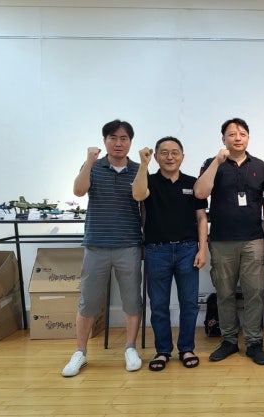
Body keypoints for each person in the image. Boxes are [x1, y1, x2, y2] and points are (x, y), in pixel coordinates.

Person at [62, 119, 144, 377]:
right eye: (113, 138)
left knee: (132, 299)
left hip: (128, 245)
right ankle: (80, 352)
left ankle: (130, 348)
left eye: (123, 138)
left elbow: (141, 197)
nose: (118, 143)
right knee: (88, 301)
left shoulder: (138, 169)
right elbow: (78, 191)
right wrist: (89, 160)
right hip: (96, 244)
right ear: (105, 140)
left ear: (130, 142)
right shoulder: (93, 167)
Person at [193, 118, 264, 365]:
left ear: (248, 138)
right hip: (222, 240)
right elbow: (200, 193)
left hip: (253, 240)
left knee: (254, 293)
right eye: (232, 134)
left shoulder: (260, 166)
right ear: (223, 139)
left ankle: (254, 342)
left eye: (242, 133)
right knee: (225, 293)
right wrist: (217, 162)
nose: (238, 138)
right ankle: (228, 340)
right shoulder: (212, 163)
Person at [132, 136, 209, 371]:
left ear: (182, 156)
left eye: (175, 152)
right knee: (158, 305)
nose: (170, 157)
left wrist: (202, 249)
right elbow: (137, 195)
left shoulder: (193, 183)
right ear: (156, 157)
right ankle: (162, 350)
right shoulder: (148, 181)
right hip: (157, 250)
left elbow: (201, 218)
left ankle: (186, 348)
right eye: (164, 152)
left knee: (189, 303)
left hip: (188, 249)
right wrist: (143, 165)